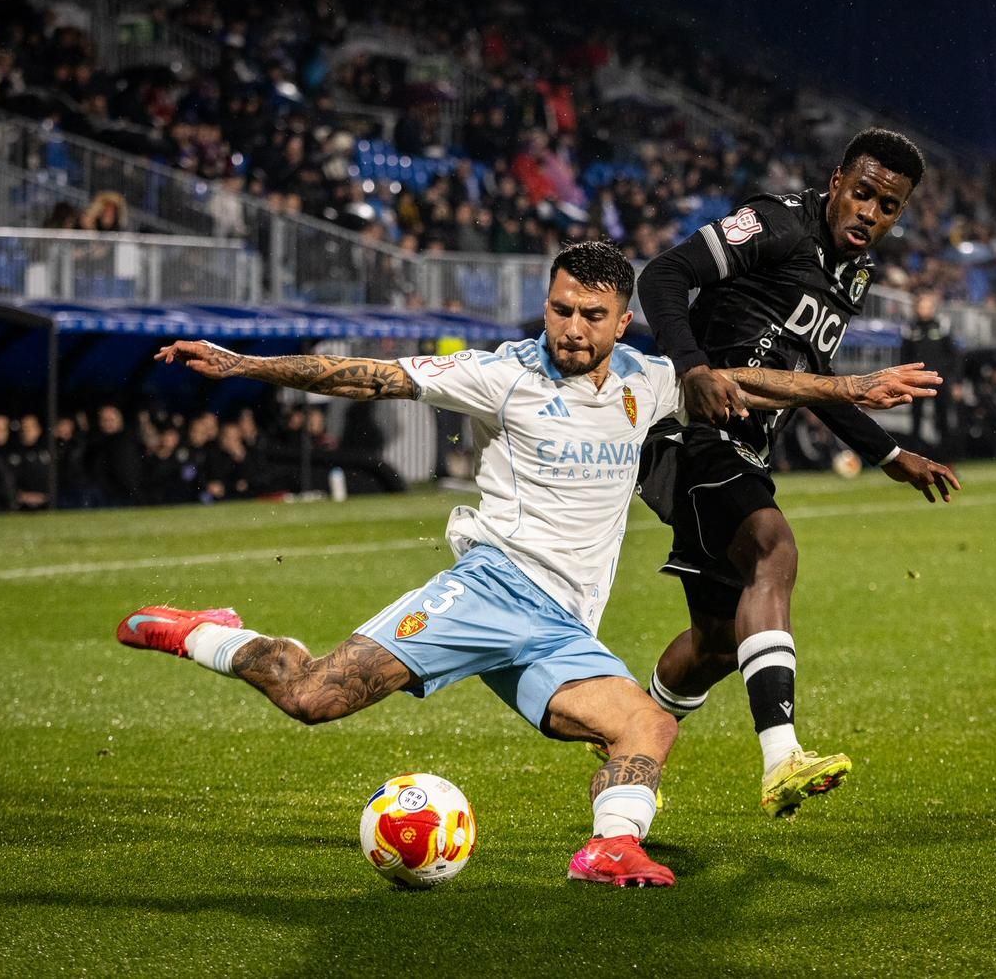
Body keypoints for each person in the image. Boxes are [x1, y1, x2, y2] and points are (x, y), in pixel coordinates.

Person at [117, 241, 939, 886]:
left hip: (561, 630)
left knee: (648, 724)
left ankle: (609, 851)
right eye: (560, 309)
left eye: (592, 315)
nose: (572, 329)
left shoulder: (650, 383)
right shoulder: (499, 375)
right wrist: (245, 363)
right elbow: (369, 378)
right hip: (489, 590)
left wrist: (853, 389)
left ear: (623, 323)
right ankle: (206, 634)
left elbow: (744, 383)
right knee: (310, 696)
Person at [633, 128, 961, 818]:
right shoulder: (776, 223)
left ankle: (628, 731)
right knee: (771, 549)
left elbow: (814, 379)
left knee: (720, 644)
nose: (871, 213)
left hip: (745, 446)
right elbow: (664, 273)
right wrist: (692, 368)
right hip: (693, 431)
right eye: (864, 193)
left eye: (889, 206)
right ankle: (782, 758)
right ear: (837, 180)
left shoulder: (854, 273)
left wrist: (891, 456)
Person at [900, 292, 957, 449]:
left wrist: (954, 379)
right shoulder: (910, 328)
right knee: (916, 416)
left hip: (939, 379)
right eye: (922, 306)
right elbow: (904, 356)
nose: (925, 309)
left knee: (943, 414)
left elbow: (953, 354)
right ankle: (916, 450)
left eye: (928, 306)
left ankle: (945, 451)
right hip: (917, 380)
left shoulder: (942, 326)